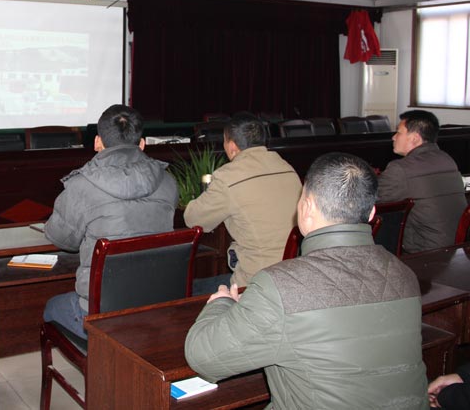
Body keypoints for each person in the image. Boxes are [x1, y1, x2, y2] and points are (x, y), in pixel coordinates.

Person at [184, 152, 428, 409]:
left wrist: (221, 303)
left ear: (307, 207)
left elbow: (203, 357)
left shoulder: (281, 286)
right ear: (371, 214)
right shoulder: (404, 275)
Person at [43, 104, 178, 339]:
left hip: (101, 313)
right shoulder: (168, 182)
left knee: (52, 307)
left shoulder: (81, 186)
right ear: (142, 143)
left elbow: (62, 239)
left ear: (97, 142)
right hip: (157, 305)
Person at [183, 113, 301, 294]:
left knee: (188, 289)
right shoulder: (287, 168)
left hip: (255, 284)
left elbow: (193, 219)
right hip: (293, 276)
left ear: (231, 146)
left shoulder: (228, 177)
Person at [378, 110, 466, 253]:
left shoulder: (401, 169)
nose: (393, 137)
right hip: (457, 247)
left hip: (425, 252)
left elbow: (370, 200)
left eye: (398, 132)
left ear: (414, 138)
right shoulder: (447, 159)